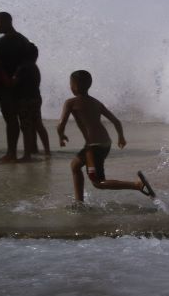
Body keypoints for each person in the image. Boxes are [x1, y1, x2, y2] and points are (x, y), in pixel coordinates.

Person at [56, 70, 156, 203]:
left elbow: (61, 124)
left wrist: (61, 136)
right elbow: (116, 121)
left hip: (94, 146)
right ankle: (79, 202)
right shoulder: (96, 102)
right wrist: (121, 137)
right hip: (104, 143)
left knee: (98, 182)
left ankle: (137, 185)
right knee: (75, 165)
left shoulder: (70, 102)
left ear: (74, 86)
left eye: (71, 84)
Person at [0, 11, 37, 162]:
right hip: (23, 87)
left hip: (6, 88)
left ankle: (11, 153)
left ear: (7, 21)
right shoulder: (23, 40)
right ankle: (27, 153)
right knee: (24, 122)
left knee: (11, 121)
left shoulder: (0, 42)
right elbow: (29, 63)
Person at [13, 43, 51, 160]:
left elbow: (15, 82)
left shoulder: (22, 68)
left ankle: (27, 155)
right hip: (36, 98)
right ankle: (47, 151)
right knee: (38, 125)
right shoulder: (34, 67)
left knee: (26, 127)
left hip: (25, 100)